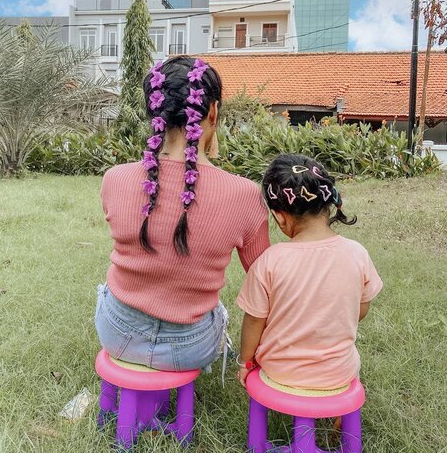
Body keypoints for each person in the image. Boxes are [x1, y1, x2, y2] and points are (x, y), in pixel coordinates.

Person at [96, 56, 270, 372]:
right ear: (213, 112)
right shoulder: (245, 195)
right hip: (191, 348)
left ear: (154, 114)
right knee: (217, 310)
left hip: (116, 334)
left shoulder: (114, 179)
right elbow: (265, 278)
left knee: (106, 289)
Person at [236, 153, 383, 391]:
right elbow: (361, 309)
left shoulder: (270, 261)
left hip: (279, 371)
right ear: (329, 205)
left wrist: (245, 360)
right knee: (351, 362)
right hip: (338, 371)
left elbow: (254, 320)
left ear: (280, 217)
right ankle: (341, 420)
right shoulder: (357, 253)